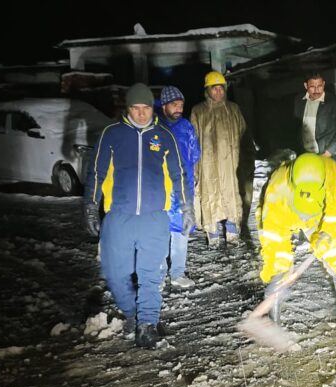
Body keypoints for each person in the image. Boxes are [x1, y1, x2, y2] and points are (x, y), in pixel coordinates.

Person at [82, 83, 192, 348]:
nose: (141, 114)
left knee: (151, 274)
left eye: (145, 108)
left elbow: (179, 173)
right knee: (116, 273)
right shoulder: (112, 134)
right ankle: (134, 313)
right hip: (119, 216)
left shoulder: (164, 135)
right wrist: (90, 205)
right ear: (127, 108)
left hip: (155, 217)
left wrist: (187, 206)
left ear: (151, 108)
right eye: (135, 108)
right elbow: (96, 172)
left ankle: (147, 323)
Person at [257, 153, 336, 325]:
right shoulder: (277, 190)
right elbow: (274, 240)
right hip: (284, 214)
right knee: (279, 266)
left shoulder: (331, 171)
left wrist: (327, 232)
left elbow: (334, 208)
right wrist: (278, 273)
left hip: (318, 212)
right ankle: (272, 322)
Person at [191, 71, 249, 247]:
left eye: (220, 89)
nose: (218, 92)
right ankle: (213, 233)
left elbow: (243, 133)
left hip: (231, 162)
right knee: (210, 195)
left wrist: (246, 157)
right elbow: (192, 139)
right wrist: (194, 165)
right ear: (207, 90)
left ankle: (232, 232)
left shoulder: (233, 109)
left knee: (231, 195)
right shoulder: (198, 111)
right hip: (207, 163)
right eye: (214, 89)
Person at [156, 86, 200, 289]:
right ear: (164, 105)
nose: (179, 108)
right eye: (174, 104)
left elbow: (195, 155)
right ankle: (157, 274)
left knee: (181, 231)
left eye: (181, 105)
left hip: (183, 187)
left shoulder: (186, 127)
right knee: (158, 233)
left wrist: (193, 177)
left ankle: (177, 273)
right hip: (160, 189)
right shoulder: (154, 127)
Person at [295, 72, 336, 161]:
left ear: (324, 84)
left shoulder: (333, 101)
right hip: (306, 156)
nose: (316, 90)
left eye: (319, 86)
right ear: (306, 86)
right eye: (312, 87)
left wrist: (328, 153)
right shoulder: (299, 101)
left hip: (328, 156)